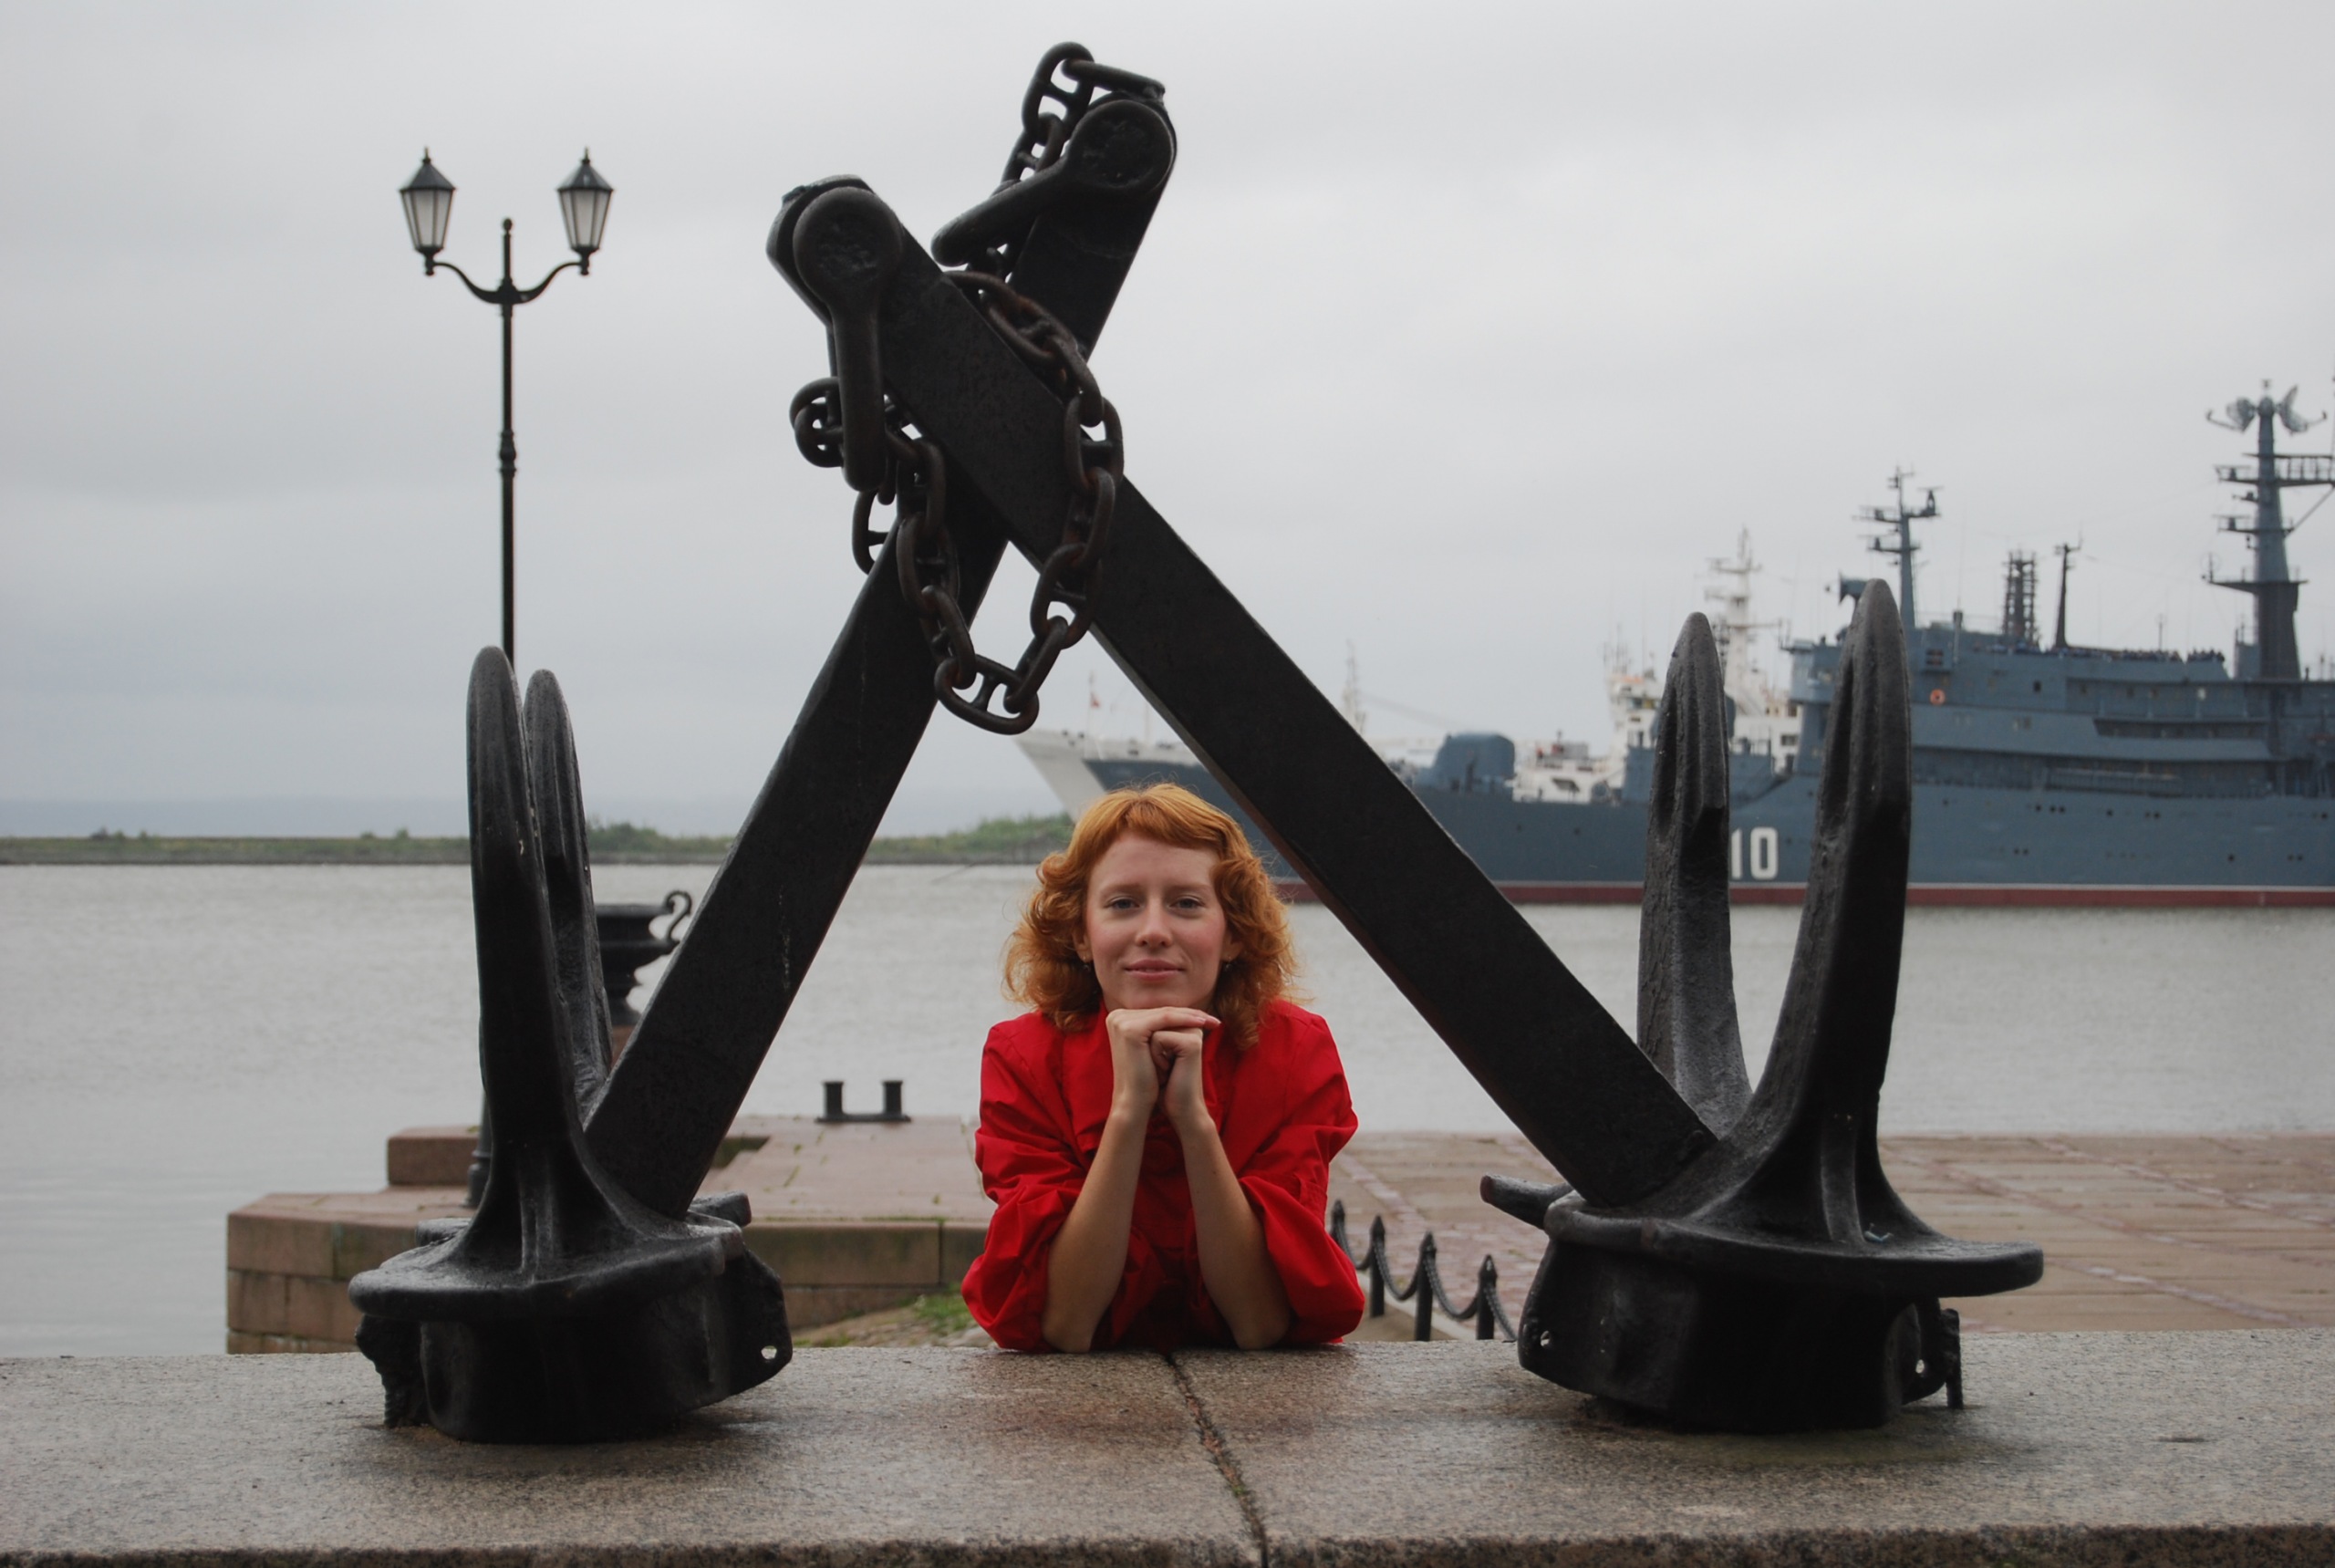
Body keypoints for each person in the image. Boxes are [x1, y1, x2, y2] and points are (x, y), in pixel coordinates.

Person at [961, 784, 1367, 1352]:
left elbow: (1259, 1322)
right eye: (1123, 903)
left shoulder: (1295, 1050)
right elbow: (1067, 1323)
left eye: (1186, 903)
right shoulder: (1023, 1056)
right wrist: (1129, 1112)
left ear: (1233, 934)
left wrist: (1193, 1122)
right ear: (1081, 935)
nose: (1153, 929)